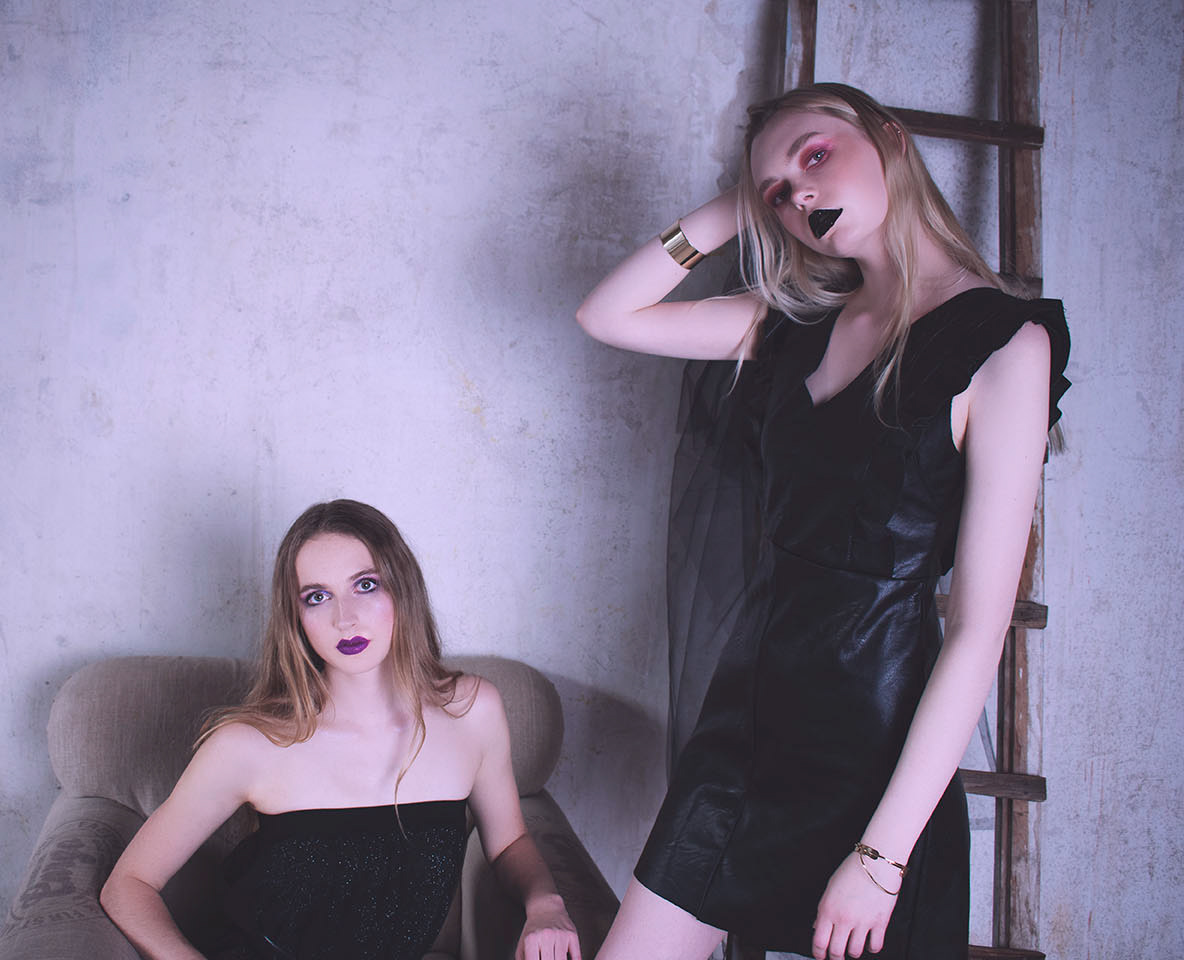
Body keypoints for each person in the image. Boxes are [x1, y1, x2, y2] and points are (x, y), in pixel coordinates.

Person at [574, 83, 1070, 960]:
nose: (799, 193)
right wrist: (740, 205)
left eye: (814, 155)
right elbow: (607, 315)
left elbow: (978, 631)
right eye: (777, 193)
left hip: (877, 761)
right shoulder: (791, 325)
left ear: (890, 139)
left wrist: (882, 858)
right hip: (744, 737)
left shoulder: (1003, 344)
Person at [100, 499, 581, 960]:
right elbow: (129, 884)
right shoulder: (249, 745)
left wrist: (545, 904)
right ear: (297, 618)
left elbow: (509, 843)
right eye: (317, 597)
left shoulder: (473, 712)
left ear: (403, 589)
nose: (344, 618)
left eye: (365, 585)